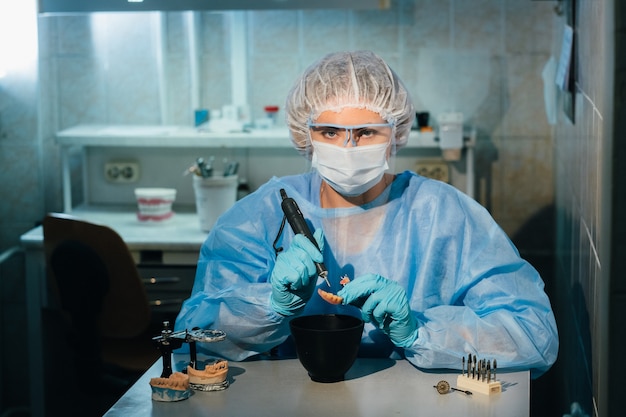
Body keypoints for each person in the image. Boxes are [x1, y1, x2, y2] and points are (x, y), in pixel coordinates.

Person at [175, 50, 558, 377]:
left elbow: (533, 334)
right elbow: (192, 337)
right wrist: (269, 307)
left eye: (366, 132)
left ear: (396, 133)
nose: (348, 147)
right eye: (329, 132)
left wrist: (419, 332)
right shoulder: (259, 216)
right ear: (303, 135)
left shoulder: (444, 215)